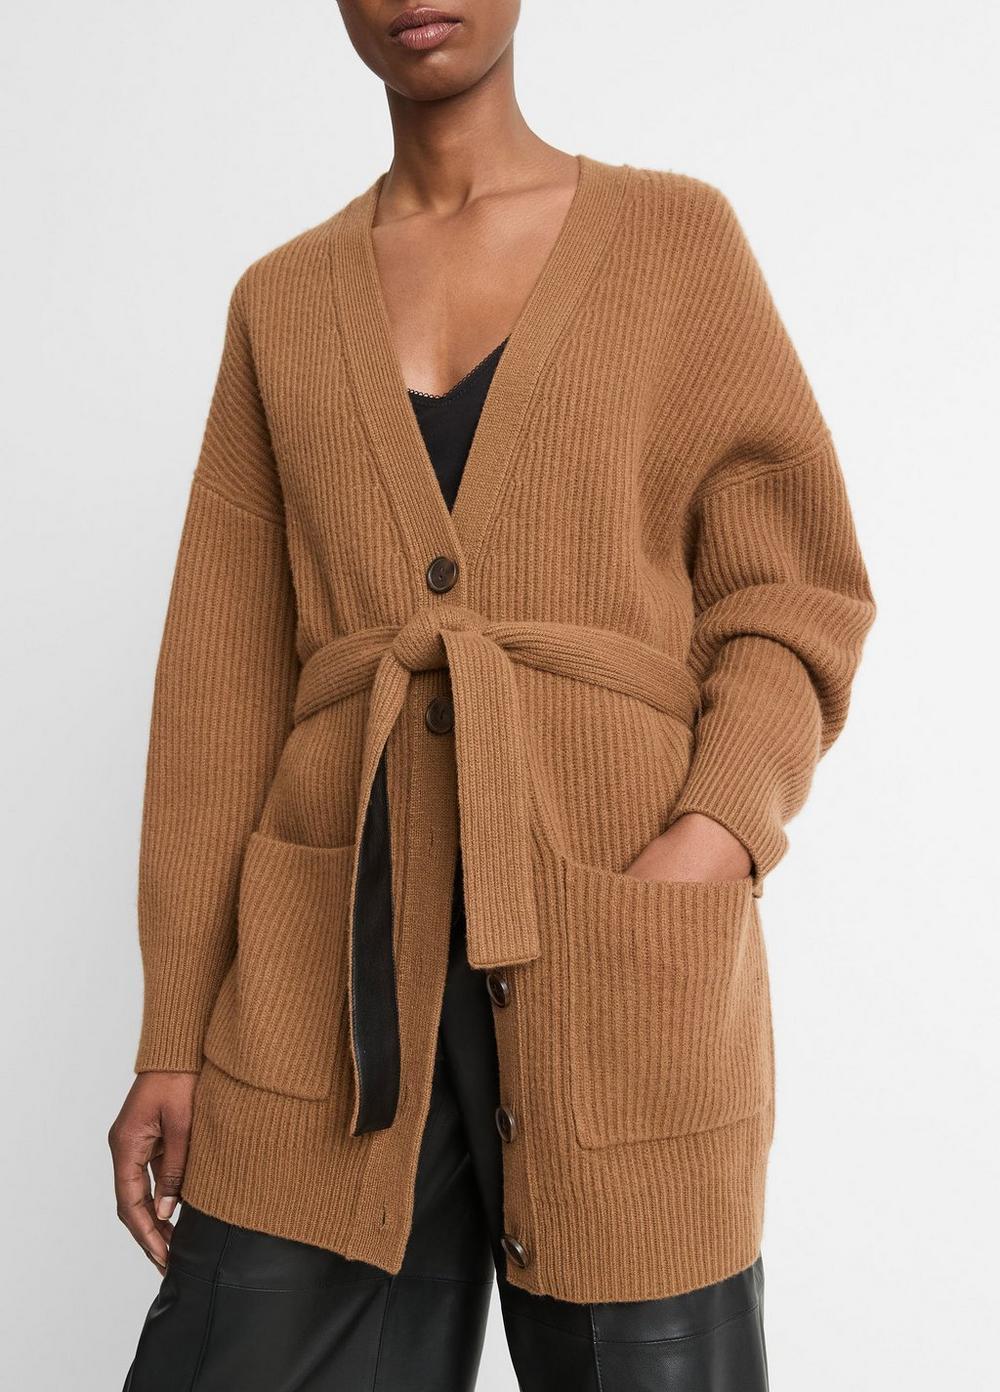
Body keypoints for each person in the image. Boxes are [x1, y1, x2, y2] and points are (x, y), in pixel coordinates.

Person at [110, 3, 876, 1387]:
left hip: (616, 948)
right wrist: (174, 1026)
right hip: (324, 994)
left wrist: (710, 839)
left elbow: (794, 593)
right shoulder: (281, 304)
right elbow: (220, 693)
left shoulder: (675, 241)